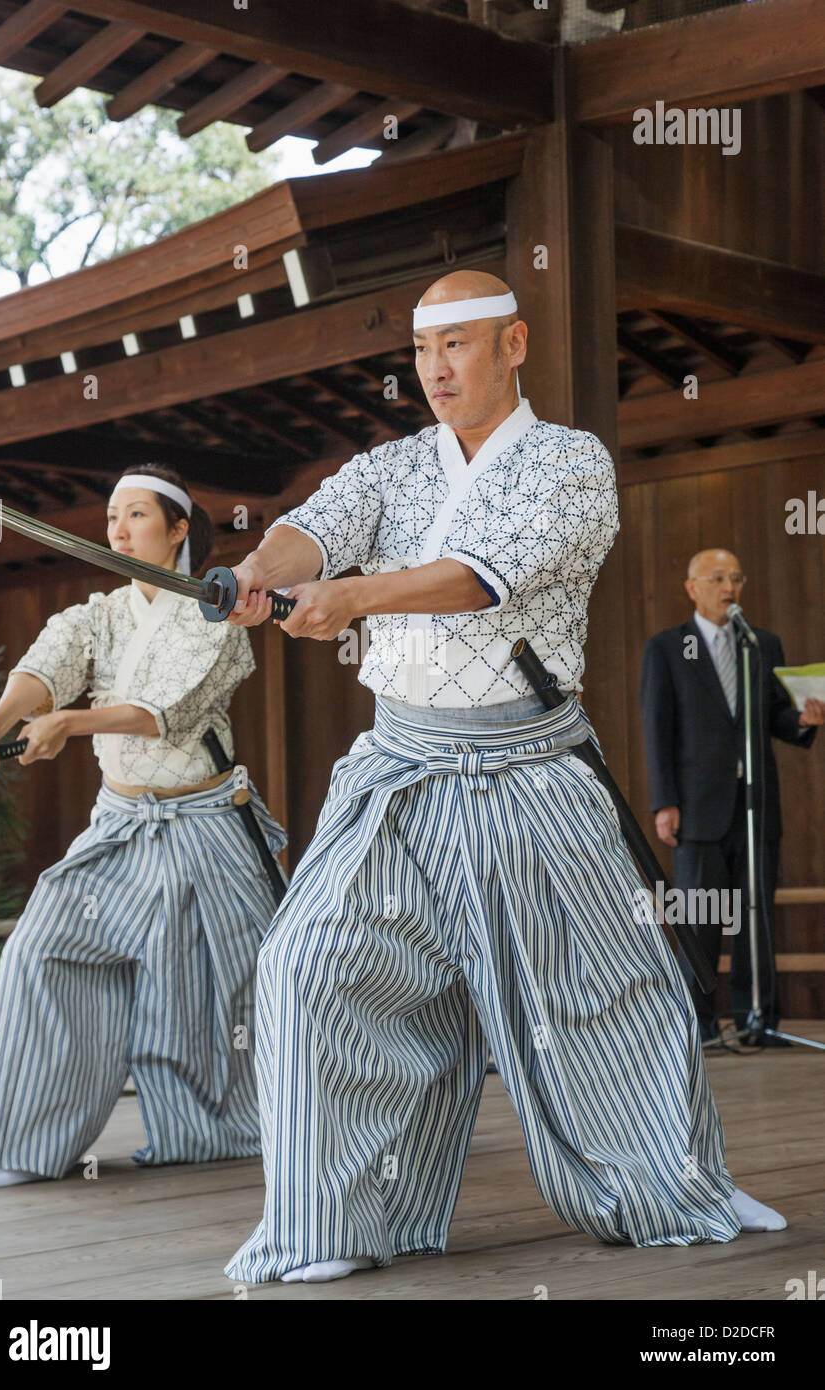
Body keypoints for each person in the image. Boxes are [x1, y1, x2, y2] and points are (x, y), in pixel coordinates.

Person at [223, 271, 786, 1287]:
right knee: (305, 964)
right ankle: (334, 1219)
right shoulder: (388, 467)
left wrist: (349, 599)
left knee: (604, 994)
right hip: (398, 768)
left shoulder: (569, 463)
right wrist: (264, 566)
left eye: (459, 346)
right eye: (424, 352)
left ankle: (671, 1185)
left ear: (513, 343)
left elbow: (481, 575)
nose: (436, 370)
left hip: (531, 768)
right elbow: (314, 525)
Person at [0, 464, 285, 1188]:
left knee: (226, 983)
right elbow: (47, 665)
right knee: (42, 952)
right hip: (119, 825)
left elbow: (161, 710)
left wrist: (71, 723)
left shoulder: (217, 610)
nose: (116, 529)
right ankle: (24, 1146)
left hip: (207, 826)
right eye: (112, 516)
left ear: (179, 530)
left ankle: (231, 1134)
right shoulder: (99, 613)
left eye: (135, 515)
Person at [640, 549, 823, 1045]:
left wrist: (803, 720)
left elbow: (777, 718)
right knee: (700, 917)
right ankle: (696, 1024)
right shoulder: (669, 648)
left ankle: (756, 1020)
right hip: (696, 808)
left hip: (757, 806)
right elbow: (658, 732)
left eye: (737, 578)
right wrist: (665, 802)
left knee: (755, 914)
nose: (730, 587)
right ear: (691, 587)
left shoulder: (761, 644)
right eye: (718, 577)